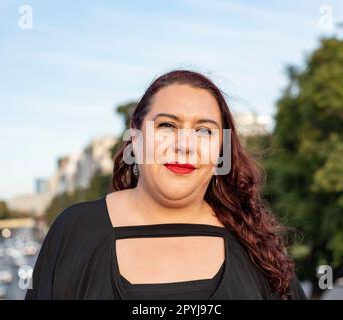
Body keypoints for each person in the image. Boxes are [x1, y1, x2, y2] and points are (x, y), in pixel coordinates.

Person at [25, 70, 307, 300]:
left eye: (204, 131)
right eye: (167, 126)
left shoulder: (254, 243)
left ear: (221, 148)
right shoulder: (76, 231)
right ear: (136, 138)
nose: (184, 145)